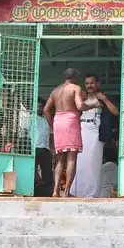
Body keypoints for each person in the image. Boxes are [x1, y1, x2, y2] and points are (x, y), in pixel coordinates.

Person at [71, 74, 119, 198]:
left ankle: (92, 193)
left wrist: (104, 99)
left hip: (95, 132)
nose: (89, 86)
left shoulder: (103, 97)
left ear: (98, 84)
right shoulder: (82, 99)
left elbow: (115, 112)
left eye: (92, 83)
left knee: (93, 163)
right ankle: (77, 192)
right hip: (81, 130)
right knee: (80, 162)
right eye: (87, 83)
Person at [43, 68, 86, 197]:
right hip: (70, 119)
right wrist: (92, 105)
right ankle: (66, 192)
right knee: (72, 158)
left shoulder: (55, 91)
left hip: (58, 121)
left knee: (60, 160)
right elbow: (79, 106)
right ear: (75, 77)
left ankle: (55, 190)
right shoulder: (75, 88)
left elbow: (46, 110)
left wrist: (52, 124)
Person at [33, 99, 53, 197]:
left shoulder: (47, 119)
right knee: (33, 168)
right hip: (35, 147)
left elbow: (51, 135)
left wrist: (52, 149)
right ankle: (35, 187)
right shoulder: (30, 118)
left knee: (47, 170)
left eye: (41, 106)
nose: (39, 108)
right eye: (37, 106)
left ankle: (47, 191)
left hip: (46, 148)